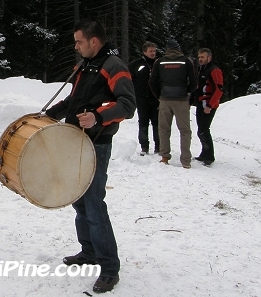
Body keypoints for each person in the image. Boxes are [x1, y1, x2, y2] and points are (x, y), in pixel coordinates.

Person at [45, 20, 135, 294]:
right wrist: (48, 116)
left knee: (94, 205)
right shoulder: (85, 65)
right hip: (76, 141)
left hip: (96, 144)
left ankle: (109, 269)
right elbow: (73, 100)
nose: (76, 46)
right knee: (79, 202)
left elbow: (127, 105)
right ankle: (89, 251)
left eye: (79, 41)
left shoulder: (113, 66)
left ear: (94, 41)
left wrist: (98, 116)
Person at [149, 39, 196, 168]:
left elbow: (152, 82)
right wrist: (187, 93)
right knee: (185, 131)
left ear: (167, 49)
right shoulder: (186, 61)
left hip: (165, 99)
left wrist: (159, 96)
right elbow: (194, 82)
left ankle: (164, 156)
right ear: (178, 48)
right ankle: (186, 160)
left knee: (164, 129)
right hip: (181, 100)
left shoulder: (159, 62)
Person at [192, 48, 224, 166]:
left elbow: (219, 90)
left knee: (203, 130)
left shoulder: (214, 70)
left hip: (208, 104)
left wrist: (210, 105)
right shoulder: (201, 70)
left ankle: (209, 156)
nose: (200, 59)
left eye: (202, 57)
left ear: (209, 58)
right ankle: (204, 153)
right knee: (201, 130)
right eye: (199, 57)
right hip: (200, 104)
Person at [128, 42, 160, 155]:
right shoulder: (136, 64)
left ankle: (158, 146)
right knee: (143, 122)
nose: (153, 53)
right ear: (144, 52)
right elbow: (128, 79)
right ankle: (144, 146)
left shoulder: (159, 63)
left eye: (154, 51)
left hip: (156, 98)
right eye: (151, 51)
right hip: (141, 97)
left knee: (157, 123)